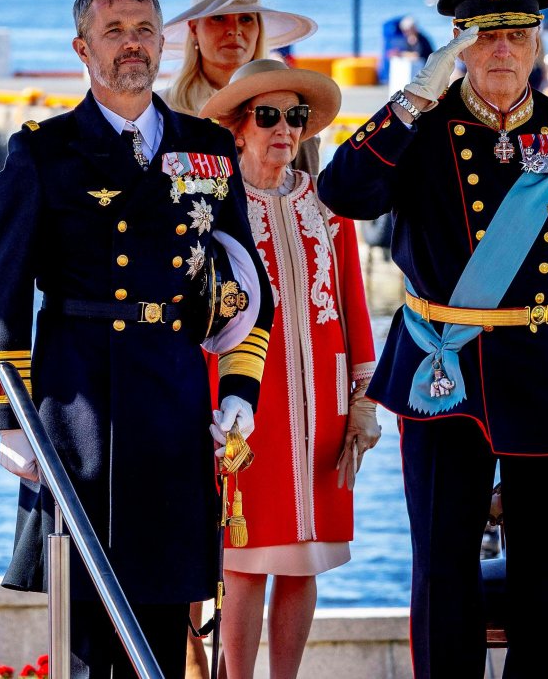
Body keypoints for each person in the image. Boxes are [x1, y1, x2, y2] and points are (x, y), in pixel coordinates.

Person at [317, 0, 548, 678]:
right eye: (485, 34)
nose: (503, 48)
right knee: (442, 573)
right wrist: (410, 97)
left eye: (517, 34)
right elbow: (343, 193)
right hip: (446, 372)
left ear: (537, 44)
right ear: (458, 45)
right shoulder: (421, 128)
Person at [0, 0, 273, 679]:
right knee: (87, 623)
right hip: (78, 403)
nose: (132, 45)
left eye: (143, 30)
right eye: (114, 32)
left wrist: (240, 391)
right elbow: (3, 291)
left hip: (172, 396)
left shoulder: (207, 147)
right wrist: (5, 415)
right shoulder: (43, 151)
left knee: (165, 623)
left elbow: (242, 284)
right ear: (83, 48)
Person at [198, 60, 378, 679]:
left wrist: (364, 399)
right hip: (247, 404)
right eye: (269, 116)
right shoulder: (214, 208)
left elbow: (352, 301)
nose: (285, 129)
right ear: (239, 127)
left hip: (323, 403)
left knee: (307, 558)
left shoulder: (326, 205)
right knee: (246, 558)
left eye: (295, 117)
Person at [162, 0, 320, 177]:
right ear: (194, 28)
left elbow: (309, 195)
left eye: (246, 18)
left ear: (258, 29)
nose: (234, 30)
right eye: (218, 18)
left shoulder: (291, 114)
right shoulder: (163, 110)